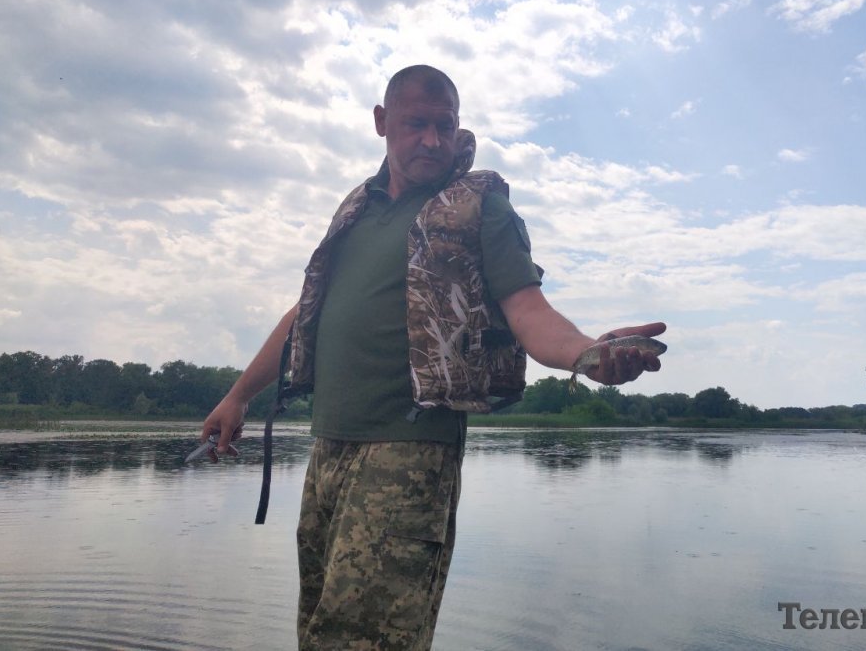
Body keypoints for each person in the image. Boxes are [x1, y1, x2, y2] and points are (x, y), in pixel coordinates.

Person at [200, 65, 665, 650]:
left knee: (366, 640)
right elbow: (305, 314)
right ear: (381, 122)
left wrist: (589, 354)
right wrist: (238, 395)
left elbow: (529, 312)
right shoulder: (357, 209)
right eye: (416, 123)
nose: (432, 140)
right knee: (318, 632)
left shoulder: (481, 208)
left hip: (409, 453)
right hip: (329, 447)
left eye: (445, 126)